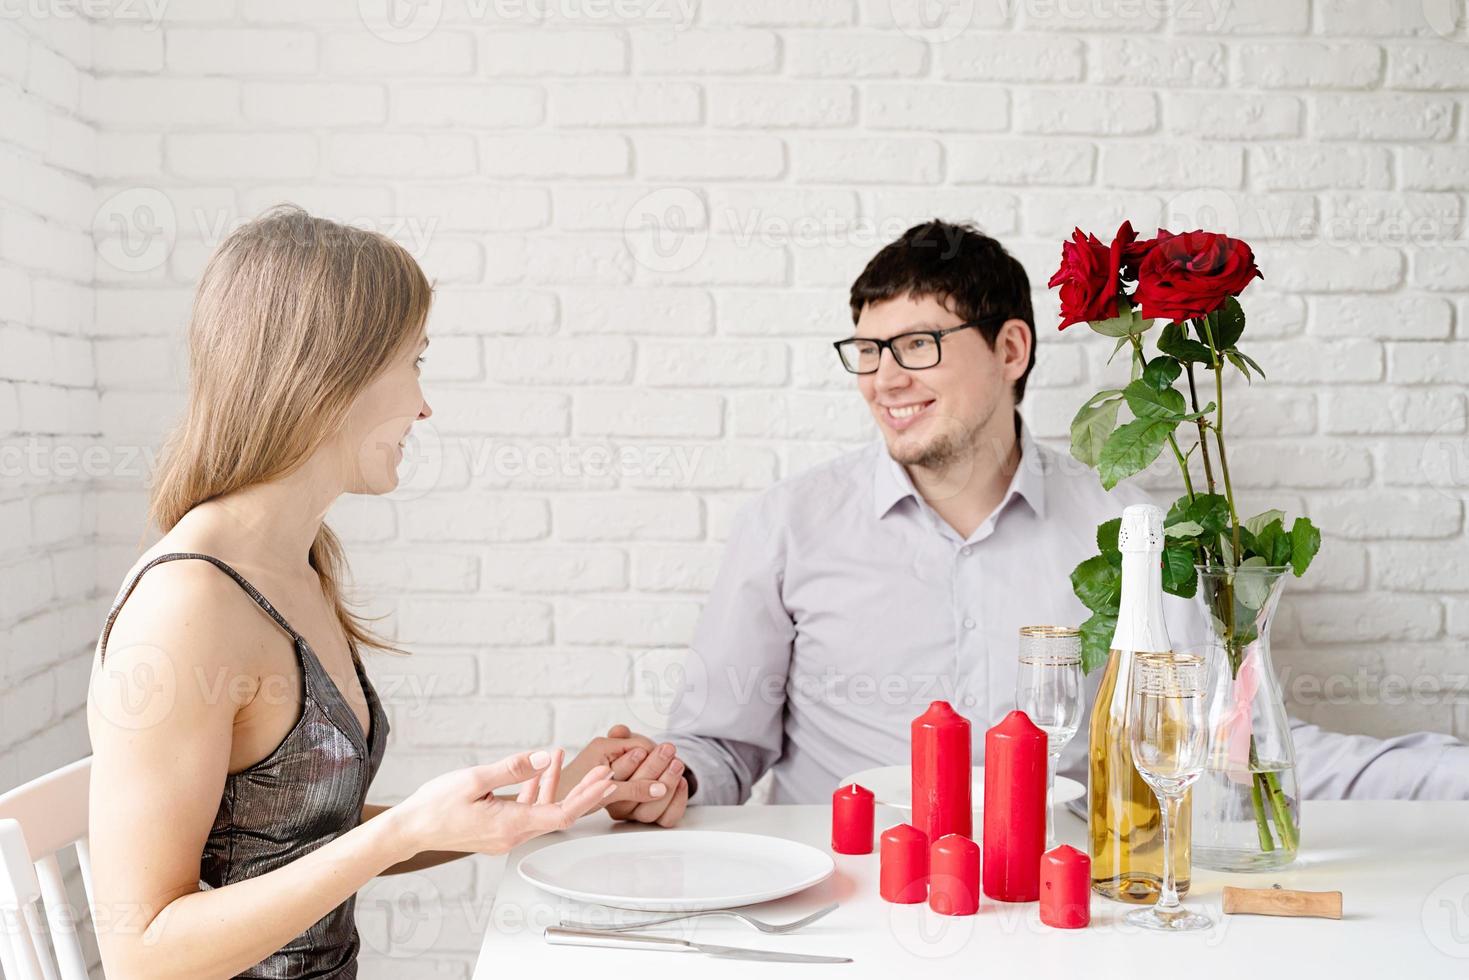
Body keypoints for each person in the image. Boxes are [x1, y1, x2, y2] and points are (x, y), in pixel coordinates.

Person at [643, 219, 1469, 814]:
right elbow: (718, 748)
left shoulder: (1131, 532)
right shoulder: (786, 526)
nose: (884, 379)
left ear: (1010, 350)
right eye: (868, 350)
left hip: (1055, 913)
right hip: (840, 906)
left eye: (918, 345)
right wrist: (662, 781)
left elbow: (1234, 745)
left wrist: (1447, 779)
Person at [86, 206, 676, 979]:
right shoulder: (189, 605)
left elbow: (296, 837)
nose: (424, 405)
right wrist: (398, 835)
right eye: (415, 361)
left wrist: (558, 794)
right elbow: (140, 954)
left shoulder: (295, 566)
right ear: (331, 375)